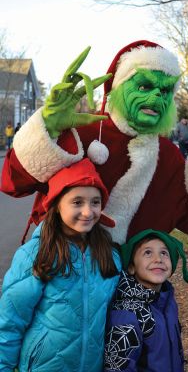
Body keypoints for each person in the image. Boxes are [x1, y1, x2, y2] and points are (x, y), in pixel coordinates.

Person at [1, 41, 188, 245]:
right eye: (144, 86)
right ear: (118, 87)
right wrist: (49, 128)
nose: (157, 96)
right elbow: (13, 183)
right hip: (62, 282)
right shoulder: (83, 133)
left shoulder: (168, 156)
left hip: (130, 294)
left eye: (165, 91)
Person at [0, 158, 121, 371]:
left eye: (95, 202)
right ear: (56, 206)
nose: (88, 211)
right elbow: (10, 321)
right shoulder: (35, 255)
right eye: (77, 202)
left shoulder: (109, 254)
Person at [104, 229, 188, 372]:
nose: (158, 259)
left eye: (164, 253)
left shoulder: (167, 301)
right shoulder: (127, 314)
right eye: (148, 253)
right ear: (131, 267)